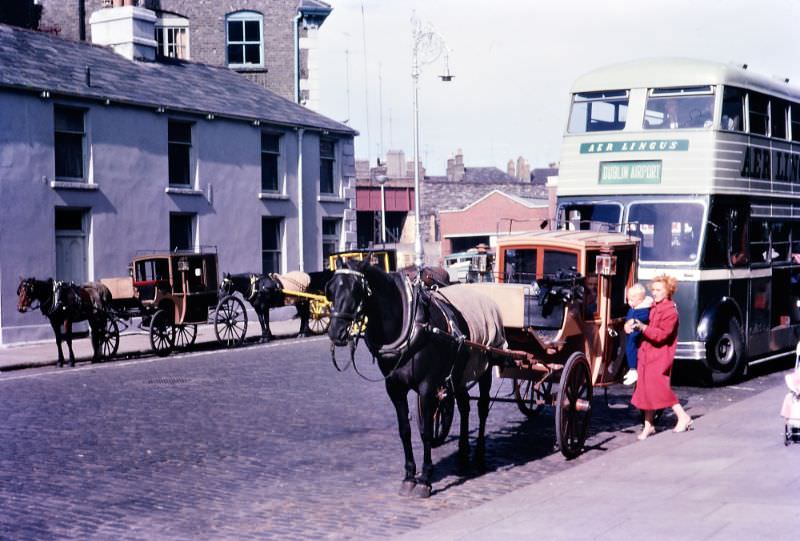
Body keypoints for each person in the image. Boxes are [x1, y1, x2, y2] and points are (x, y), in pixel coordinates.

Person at [625, 274, 693, 440]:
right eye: (653, 289)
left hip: (659, 355)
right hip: (646, 354)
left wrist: (642, 328)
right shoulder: (653, 306)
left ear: (668, 291)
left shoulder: (670, 311)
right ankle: (649, 425)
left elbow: (662, 336)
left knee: (659, 387)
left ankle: (683, 416)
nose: (654, 293)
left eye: (658, 290)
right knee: (645, 389)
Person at [622, 283, 653, 386]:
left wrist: (632, 321)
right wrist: (627, 324)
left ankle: (633, 369)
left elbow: (643, 318)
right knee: (628, 348)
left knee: (631, 348)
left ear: (639, 300)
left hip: (636, 332)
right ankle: (631, 368)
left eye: (631, 300)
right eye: (628, 300)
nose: (629, 303)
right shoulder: (635, 307)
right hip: (631, 332)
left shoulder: (643, 309)